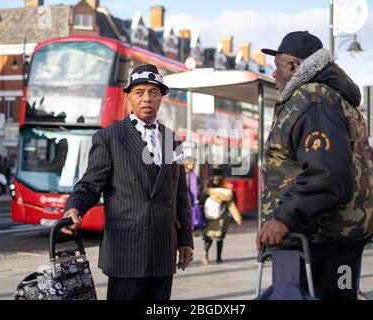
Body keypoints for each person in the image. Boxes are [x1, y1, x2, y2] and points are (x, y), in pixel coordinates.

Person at [256, 31, 373, 300]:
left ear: (293, 66)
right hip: (338, 237)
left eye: (277, 66)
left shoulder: (314, 100)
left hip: (321, 239)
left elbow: (325, 173)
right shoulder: (330, 97)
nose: (273, 73)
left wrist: (284, 219)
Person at [61, 64, 194, 300]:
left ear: (161, 98)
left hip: (163, 249)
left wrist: (185, 241)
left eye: (154, 92)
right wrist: (73, 208)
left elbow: (180, 194)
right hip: (126, 250)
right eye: (140, 92)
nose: (147, 99)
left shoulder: (171, 140)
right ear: (129, 97)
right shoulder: (109, 137)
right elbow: (90, 184)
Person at [201, 175, 242, 264]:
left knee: (208, 237)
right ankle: (218, 258)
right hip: (221, 219)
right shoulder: (226, 193)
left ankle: (205, 251)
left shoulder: (207, 192)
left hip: (209, 219)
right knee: (220, 238)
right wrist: (237, 218)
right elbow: (231, 206)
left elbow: (201, 203)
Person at [184, 157, 205, 231]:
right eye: (191, 164)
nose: (193, 165)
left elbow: (199, 187)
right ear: (186, 164)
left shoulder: (195, 176)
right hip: (185, 198)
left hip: (193, 199)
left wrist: (198, 194)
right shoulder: (183, 175)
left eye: (193, 164)